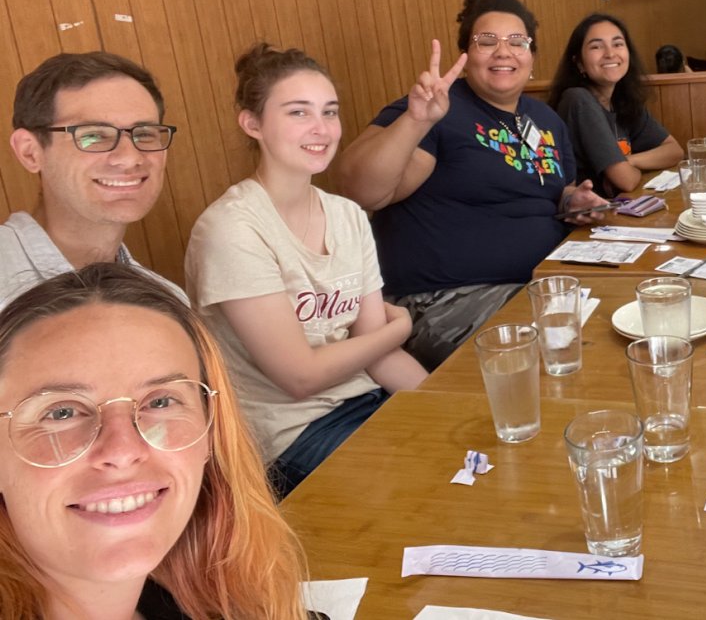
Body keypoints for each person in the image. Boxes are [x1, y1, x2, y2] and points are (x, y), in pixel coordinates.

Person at [0, 263, 308, 618]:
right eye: (61, 413)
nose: (122, 451)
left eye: (160, 402)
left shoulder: (218, 599)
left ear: (211, 434)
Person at [185, 44, 426, 498]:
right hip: (289, 437)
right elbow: (300, 377)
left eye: (330, 112)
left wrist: (446, 406)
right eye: (299, 112)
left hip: (367, 402)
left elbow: (377, 354)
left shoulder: (348, 215)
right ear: (252, 123)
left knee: (475, 454)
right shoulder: (231, 229)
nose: (321, 129)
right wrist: (402, 327)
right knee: (423, 493)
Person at [334, 0, 607, 371]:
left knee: (620, 322)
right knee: (575, 353)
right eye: (486, 41)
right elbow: (364, 191)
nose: (503, 51)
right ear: (465, 54)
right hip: (444, 300)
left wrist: (571, 201)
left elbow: (548, 191)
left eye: (517, 41)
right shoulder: (438, 109)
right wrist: (416, 120)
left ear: (531, 54)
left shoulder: (545, 121)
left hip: (535, 287)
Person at [2, 52, 180, 308]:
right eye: (94, 135)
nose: (130, 158)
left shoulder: (167, 301)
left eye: (145, 133)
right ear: (30, 152)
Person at [548, 13, 683, 196]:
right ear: (579, 62)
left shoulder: (621, 101)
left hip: (618, 213)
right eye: (596, 46)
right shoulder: (578, 100)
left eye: (618, 44)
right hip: (588, 220)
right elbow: (625, 180)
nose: (610, 54)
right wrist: (627, 167)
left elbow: (674, 151)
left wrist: (630, 161)